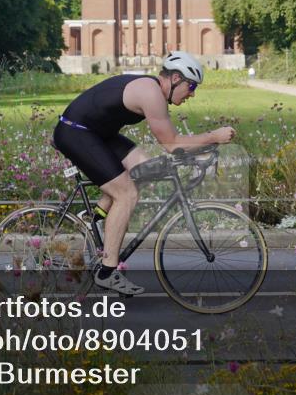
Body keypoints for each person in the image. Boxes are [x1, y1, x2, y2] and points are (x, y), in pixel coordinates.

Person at [51, 51, 236, 295]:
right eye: (191, 86)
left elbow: (173, 149)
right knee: (126, 194)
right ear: (176, 79)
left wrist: (199, 151)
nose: (192, 93)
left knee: (146, 168)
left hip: (97, 133)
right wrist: (213, 137)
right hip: (77, 132)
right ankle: (107, 272)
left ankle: (95, 217)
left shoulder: (152, 88)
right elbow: (171, 143)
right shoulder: (151, 94)